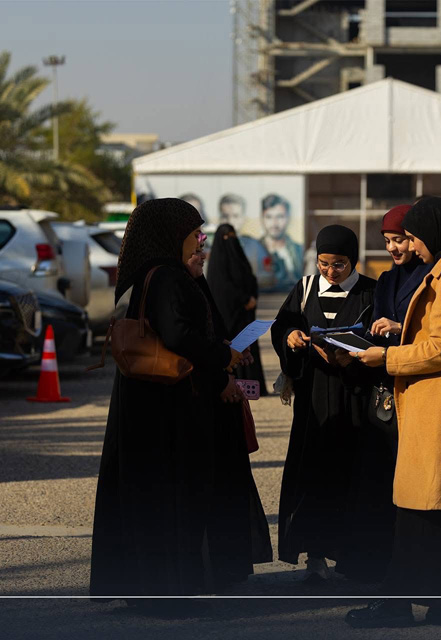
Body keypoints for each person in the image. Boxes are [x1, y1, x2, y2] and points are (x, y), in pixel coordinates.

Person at [345, 196, 441, 629]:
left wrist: (386, 357)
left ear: (434, 232)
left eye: (413, 237)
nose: (411, 246)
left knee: (419, 510)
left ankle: (396, 605)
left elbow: (440, 348)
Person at [90, 198, 246, 611]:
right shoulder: (166, 278)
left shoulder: (152, 274)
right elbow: (178, 335)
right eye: (194, 233)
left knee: (151, 497)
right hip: (167, 407)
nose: (201, 240)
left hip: (149, 404)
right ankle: (166, 594)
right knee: (170, 497)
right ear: (170, 234)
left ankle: (153, 589)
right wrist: (222, 357)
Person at [270, 224, 376, 582]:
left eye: (339, 264)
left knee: (353, 475)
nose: (331, 271)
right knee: (313, 474)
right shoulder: (304, 288)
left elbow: (381, 341)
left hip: (354, 399)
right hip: (313, 398)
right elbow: (282, 326)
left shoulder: (370, 292)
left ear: (353, 260)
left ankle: (354, 559)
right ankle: (314, 557)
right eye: (324, 263)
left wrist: (353, 358)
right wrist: (291, 336)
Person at [338, 204, 433, 583]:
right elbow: (373, 324)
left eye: (400, 240)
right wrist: (349, 344)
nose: (393, 248)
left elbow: (432, 333)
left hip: (413, 388)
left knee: (407, 481)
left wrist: (398, 327)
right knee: (375, 478)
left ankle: (408, 568)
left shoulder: (432, 276)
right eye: (388, 241)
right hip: (382, 392)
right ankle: (373, 565)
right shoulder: (388, 279)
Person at [189, 233, 274, 587]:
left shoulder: (198, 282)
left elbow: (208, 335)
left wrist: (228, 348)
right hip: (201, 400)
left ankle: (227, 565)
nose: (203, 254)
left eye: (203, 247)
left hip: (221, 385)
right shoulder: (171, 284)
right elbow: (186, 342)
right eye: (195, 249)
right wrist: (220, 373)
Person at [206, 223, 269, 396]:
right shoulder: (217, 263)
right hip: (229, 316)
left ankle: (253, 386)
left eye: (233, 236)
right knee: (233, 347)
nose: (230, 241)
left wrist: (252, 297)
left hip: (244, 315)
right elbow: (223, 288)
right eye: (227, 237)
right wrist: (243, 299)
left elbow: (250, 278)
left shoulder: (240, 258)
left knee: (248, 347)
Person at [218, 194, 275, 290]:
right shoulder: (211, 247)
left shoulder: (255, 246)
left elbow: (267, 276)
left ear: (243, 218)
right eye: (225, 216)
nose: (230, 221)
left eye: (235, 216)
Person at [256, 194, 303, 291]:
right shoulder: (253, 250)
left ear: (288, 218)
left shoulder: (299, 250)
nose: (274, 223)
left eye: (280, 217)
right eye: (269, 217)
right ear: (262, 218)